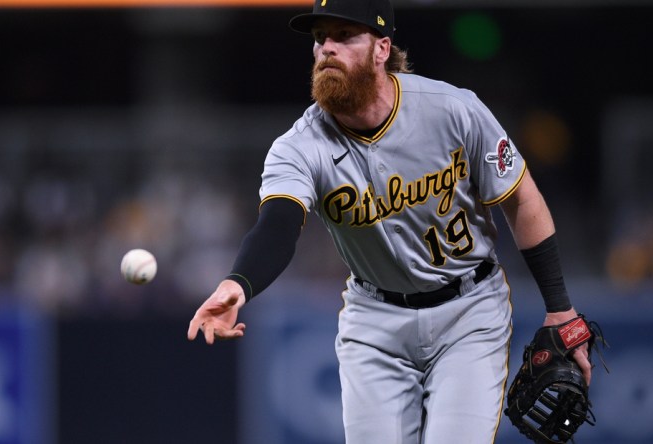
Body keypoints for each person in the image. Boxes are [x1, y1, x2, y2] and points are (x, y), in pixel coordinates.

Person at [187, 0, 593, 442]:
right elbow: (278, 225)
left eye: (344, 36)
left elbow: (522, 200)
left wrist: (559, 307)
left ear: (382, 49)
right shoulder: (299, 147)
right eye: (320, 38)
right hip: (375, 323)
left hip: (469, 313)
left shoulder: (452, 110)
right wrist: (238, 283)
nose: (327, 49)